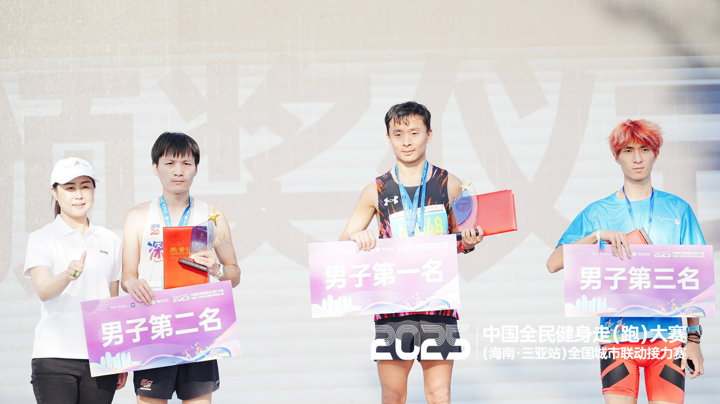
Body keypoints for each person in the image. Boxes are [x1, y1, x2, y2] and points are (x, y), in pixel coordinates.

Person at [546, 119, 705, 404]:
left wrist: (693, 339)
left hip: (668, 339)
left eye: (644, 149)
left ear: (656, 154)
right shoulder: (598, 212)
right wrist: (596, 236)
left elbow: (695, 278)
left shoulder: (678, 209)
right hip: (617, 338)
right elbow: (553, 263)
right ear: (616, 156)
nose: (637, 158)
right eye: (628, 150)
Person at [340, 101, 483, 404]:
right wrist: (357, 237)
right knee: (393, 395)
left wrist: (468, 242)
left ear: (429, 135)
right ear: (388, 138)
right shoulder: (376, 189)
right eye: (398, 134)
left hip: (439, 304)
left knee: (439, 393)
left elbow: (461, 236)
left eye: (414, 133)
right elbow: (343, 242)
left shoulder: (450, 184)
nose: (406, 141)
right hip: (392, 307)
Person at [121, 132, 241, 404]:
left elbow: (234, 274)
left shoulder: (212, 215)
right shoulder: (138, 216)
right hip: (154, 324)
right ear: (155, 167)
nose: (178, 171)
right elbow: (127, 274)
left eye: (186, 163)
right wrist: (131, 283)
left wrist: (217, 270)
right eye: (170, 163)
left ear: (196, 168)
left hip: (198, 325)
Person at [24, 157, 127, 404]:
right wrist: (66, 276)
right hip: (54, 357)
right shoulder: (42, 238)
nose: (79, 195)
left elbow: (113, 304)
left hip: (101, 358)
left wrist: (120, 356)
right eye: (70, 188)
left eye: (85, 186)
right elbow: (43, 290)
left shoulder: (110, 240)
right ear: (55, 192)